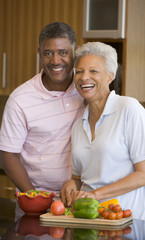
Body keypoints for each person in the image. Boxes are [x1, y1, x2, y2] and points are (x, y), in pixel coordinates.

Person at [60, 42, 145, 221]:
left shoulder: (129, 109)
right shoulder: (78, 123)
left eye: (93, 71)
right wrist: (71, 183)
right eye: (79, 71)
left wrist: (96, 194)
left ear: (110, 76)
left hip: (128, 220)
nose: (84, 77)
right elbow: (78, 176)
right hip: (90, 218)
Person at [0, 22, 84, 198]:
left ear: (75, 52)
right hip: (36, 200)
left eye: (63, 52)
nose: (55, 61)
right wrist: (35, 197)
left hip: (83, 198)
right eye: (48, 53)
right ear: (39, 54)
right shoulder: (20, 99)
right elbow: (8, 156)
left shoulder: (86, 88)